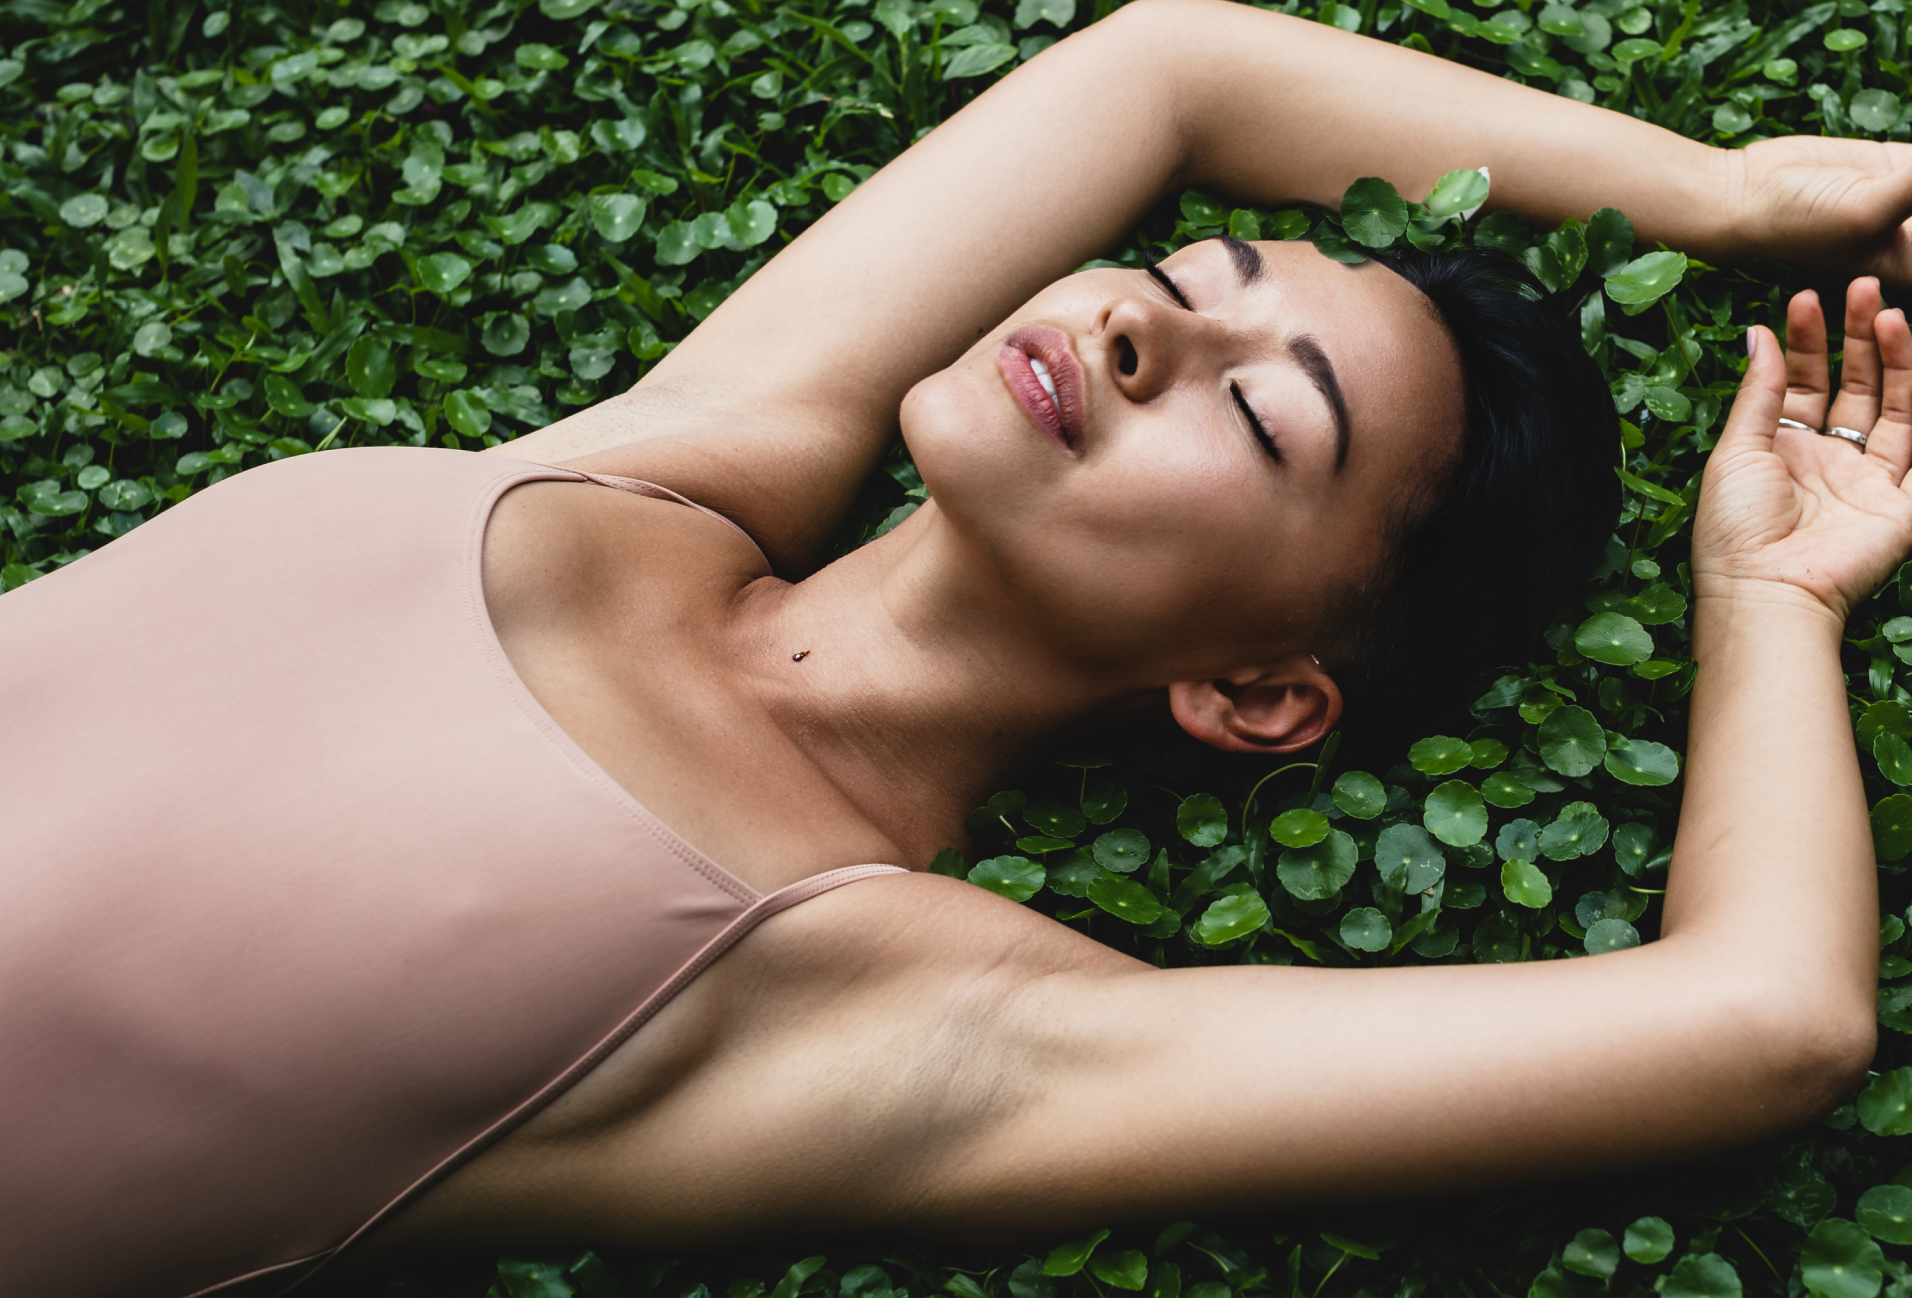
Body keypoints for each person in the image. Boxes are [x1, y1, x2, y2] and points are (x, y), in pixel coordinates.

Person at [5, 1, 1912, 1293]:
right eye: (1182, 285)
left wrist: (1774, 598)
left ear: (1254, 690)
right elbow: (1166, 65)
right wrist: (1719, 190)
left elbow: (1767, 1018)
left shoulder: (888, 1002)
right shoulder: (680, 468)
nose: (1144, 335)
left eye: (1262, 423)